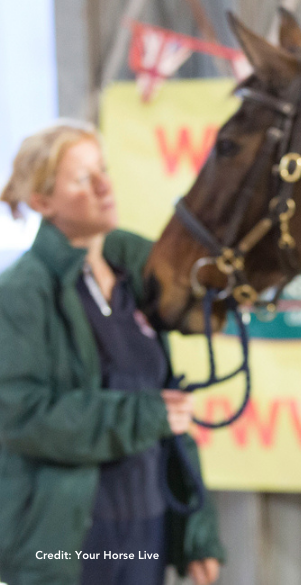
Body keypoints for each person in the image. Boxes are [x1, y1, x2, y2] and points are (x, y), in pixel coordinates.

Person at [0, 120, 224, 585]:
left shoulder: (136, 279)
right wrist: (144, 416)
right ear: (43, 202)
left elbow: (171, 414)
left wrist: (195, 531)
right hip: (67, 543)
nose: (105, 185)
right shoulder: (21, 293)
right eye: (83, 178)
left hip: (149, 531)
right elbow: (20, 416)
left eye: (102, 169)